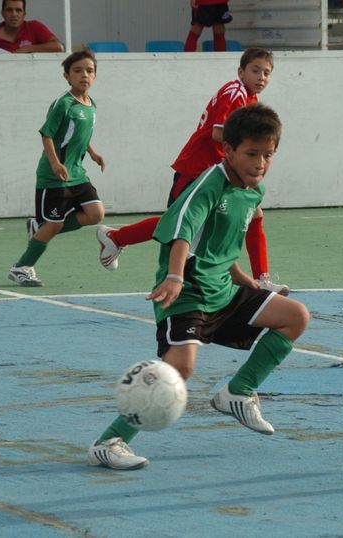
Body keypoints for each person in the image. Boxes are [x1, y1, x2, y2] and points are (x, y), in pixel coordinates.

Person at [87, 104, 310, 470]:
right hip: (188, 290)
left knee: (295, 316)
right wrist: (175, 277)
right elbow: (183, 232)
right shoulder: (209, 184)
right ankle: (109, 442)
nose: (260, 163)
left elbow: (220, 243)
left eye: (268, 154)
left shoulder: (253, 190)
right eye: (252, 153)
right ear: (229, 150)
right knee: (178, 370)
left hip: (223, 290)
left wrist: (242, 278)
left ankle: (238, 392)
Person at [96, 48, 289, 295]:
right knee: (176, 223)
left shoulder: (250, 100)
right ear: (241, 72)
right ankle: (117, 238)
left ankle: (262, 278)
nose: (261, 77)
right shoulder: (235, 92)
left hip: (222, 171)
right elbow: (218, 132)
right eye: (255, 70)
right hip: (198, 168)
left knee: (253, 214)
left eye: (267, 73)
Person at [8, 50, 105, 287]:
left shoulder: (91, 104)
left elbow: (78, 135)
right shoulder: (63, 104)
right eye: (77, 71)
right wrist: (54, 163)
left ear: (95, 76)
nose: (84, 75)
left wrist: (92, 153)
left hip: (77, 174)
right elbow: (47, 134)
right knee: (54, 225)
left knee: (95, 213)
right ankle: (21, 267)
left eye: (89, 71)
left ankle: (39, 229)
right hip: (54, 177)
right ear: (67, 76)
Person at [0, 0, 64, 54]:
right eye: (9, 10)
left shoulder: (34, 27)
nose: (14, 14)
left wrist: (29, 48)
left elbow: (59, 47)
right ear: (2, 13)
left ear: (24, 14)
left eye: (18, 10)